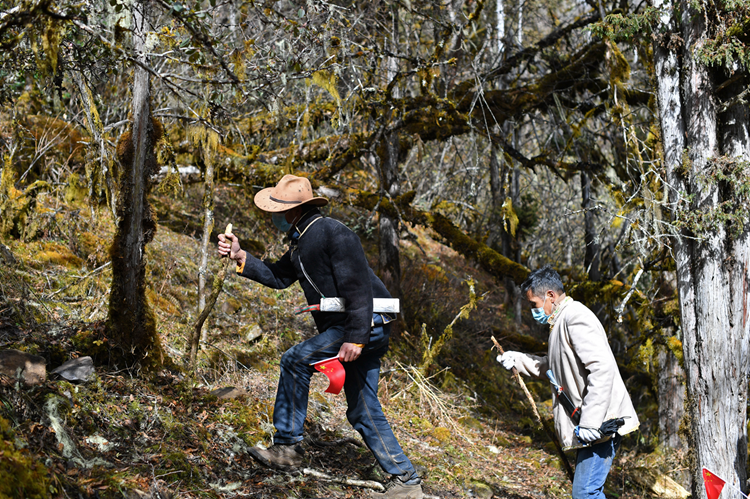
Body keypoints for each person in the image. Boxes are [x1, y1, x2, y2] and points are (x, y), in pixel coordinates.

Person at [217, 174, 423, 499]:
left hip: (364, 324)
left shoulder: (332, 232)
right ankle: (406, 481)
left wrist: (355, 337)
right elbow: (279, 276)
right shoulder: (301, 241)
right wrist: (241, 256)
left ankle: (287, 449)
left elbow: (357, 287)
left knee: (295, 360)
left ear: (293, 210)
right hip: (358, 326)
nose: (275, 216)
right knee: (362, 408)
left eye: (278, 210)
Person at [497, 266, 639, 499]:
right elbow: (555, 368)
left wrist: (591, 423)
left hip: (602, 424)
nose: (533, 310)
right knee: (587, 492)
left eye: (534, 304)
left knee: (586, 493)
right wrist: (518, 360)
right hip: (591, 425)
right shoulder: (561, 320)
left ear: (550, 295)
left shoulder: (575, 317)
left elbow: (601, 369)